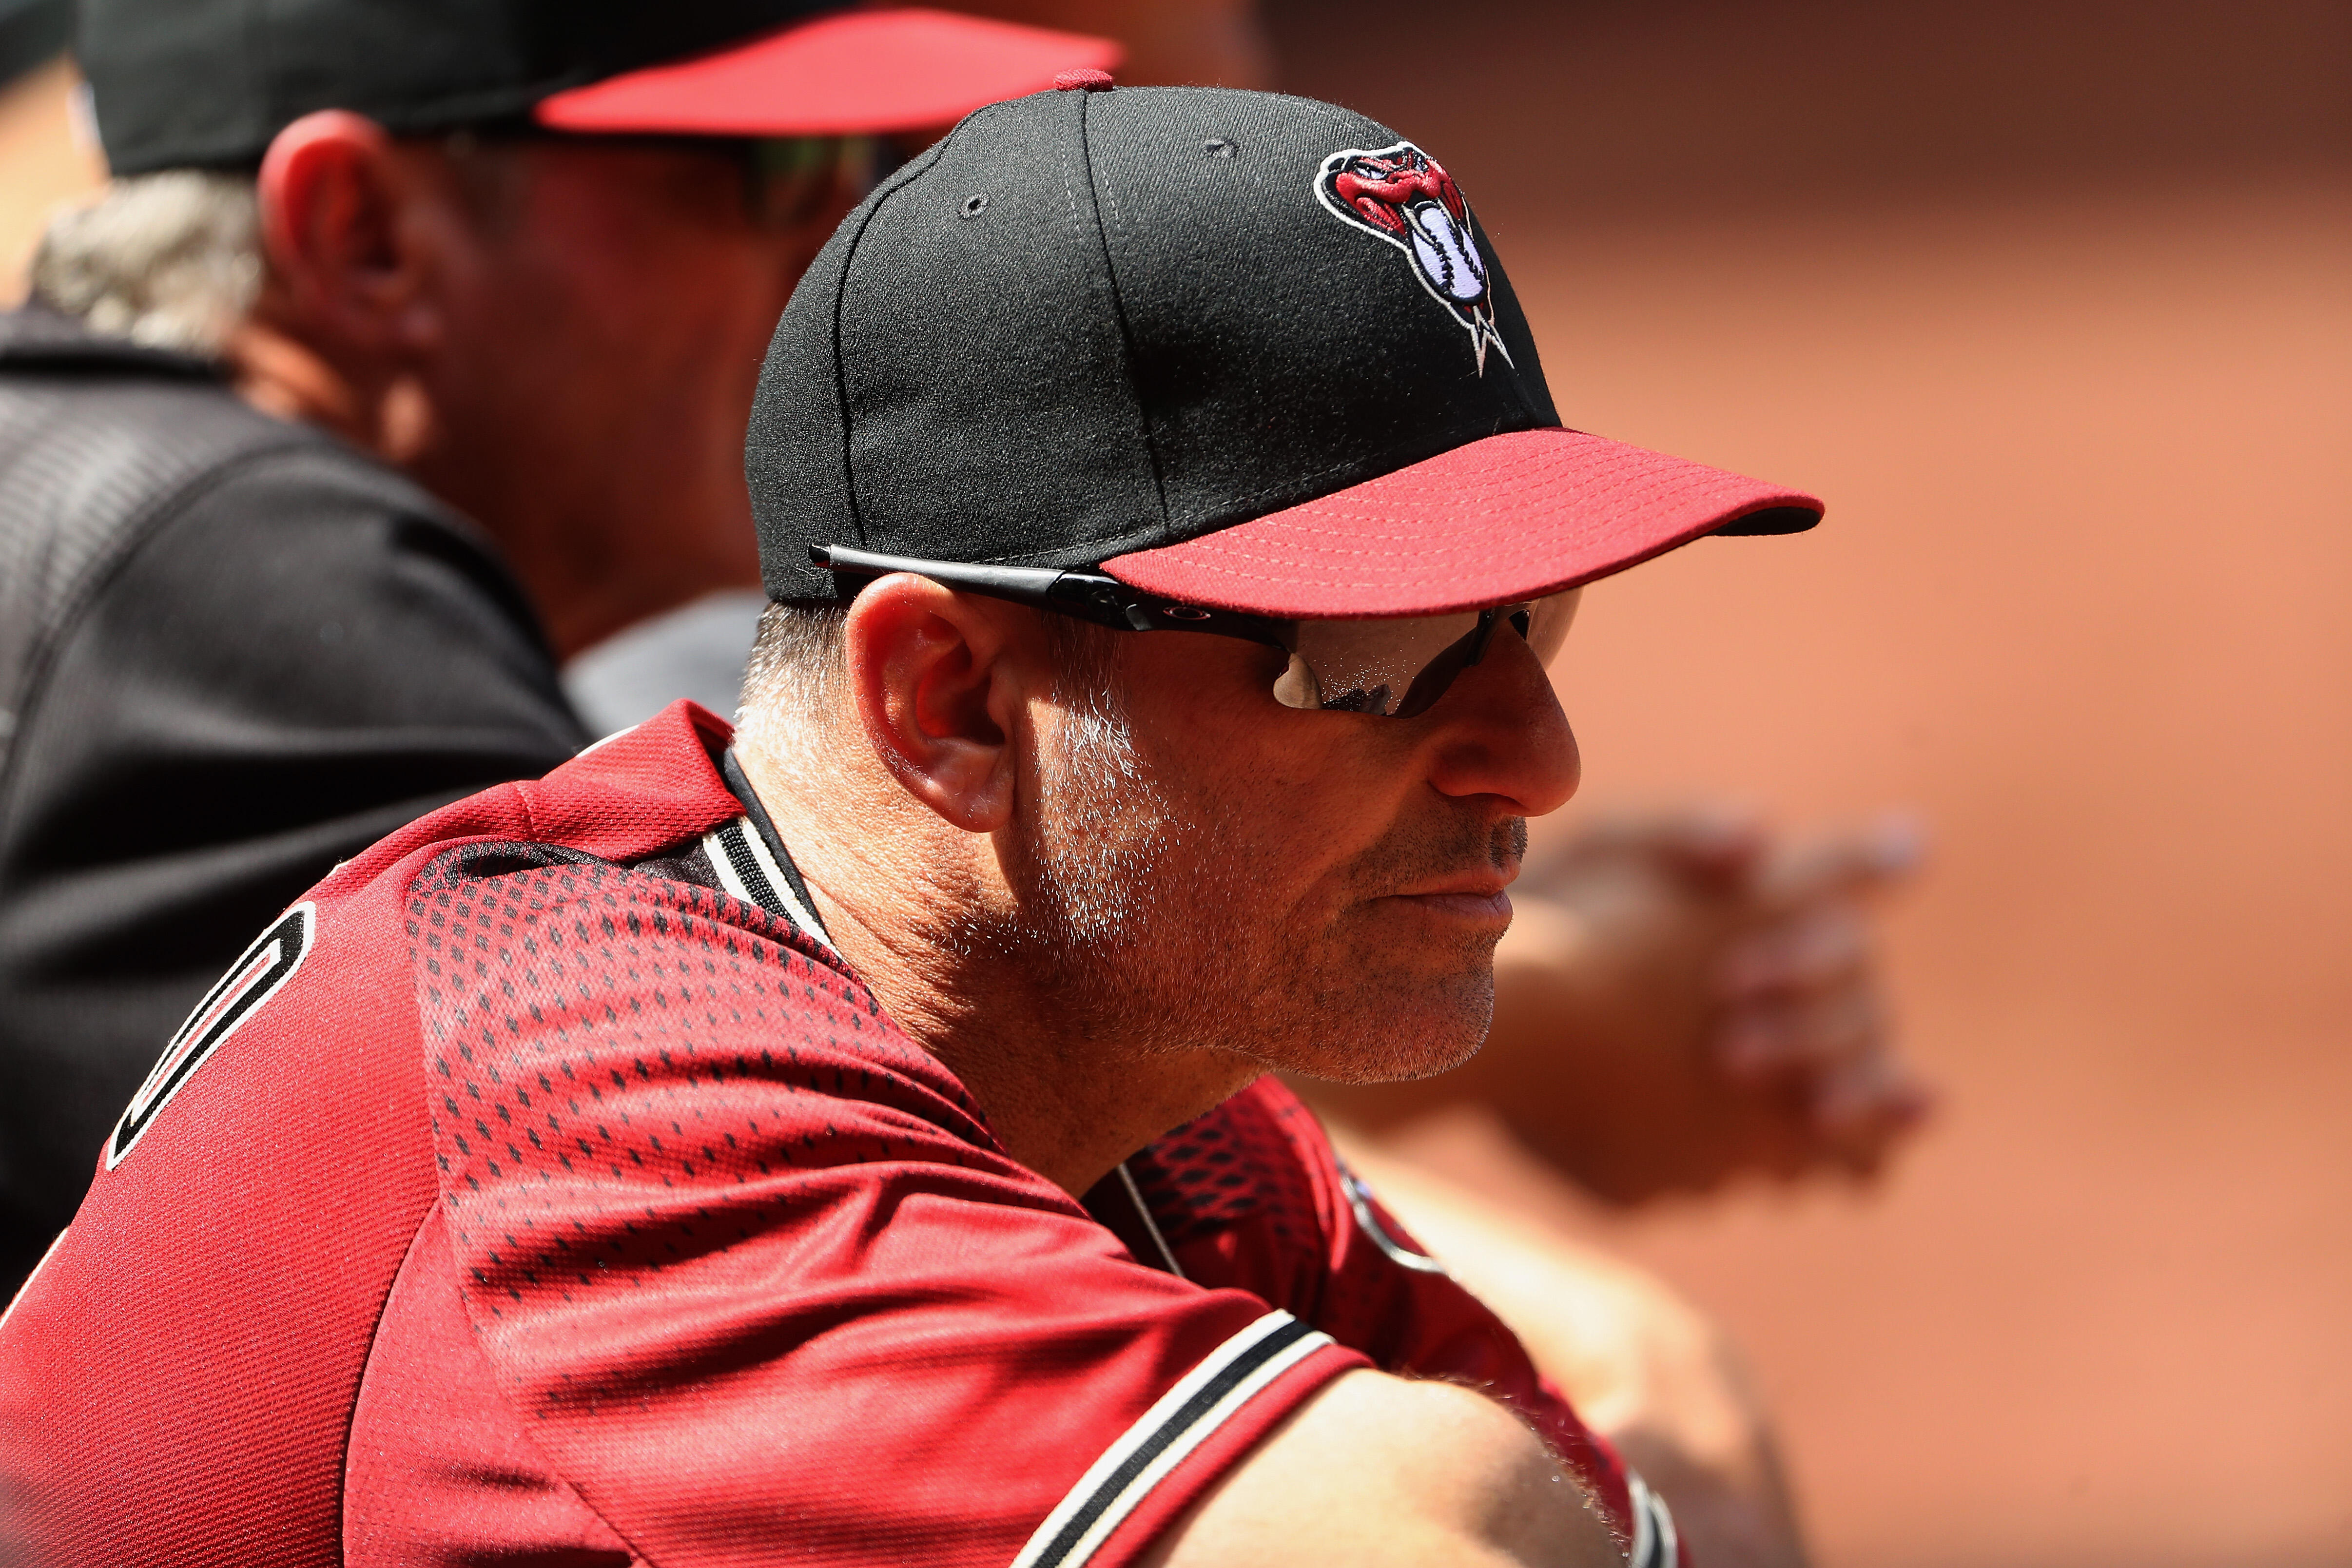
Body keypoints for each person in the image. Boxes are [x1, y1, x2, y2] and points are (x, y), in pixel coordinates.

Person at [0, 81, 1828, 1564]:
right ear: (948, 704)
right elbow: (1468, 1535)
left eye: (1534, 627)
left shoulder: (1137, 1093)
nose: (1540, 756)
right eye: (1386, 653)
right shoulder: (607, 1096)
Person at [0, 0, 1116, 1297]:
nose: (859, 254)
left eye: (874, 168)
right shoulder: (252, 573)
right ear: (363, 236)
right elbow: (769, 1271)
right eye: (780, 175)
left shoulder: (118, 491)